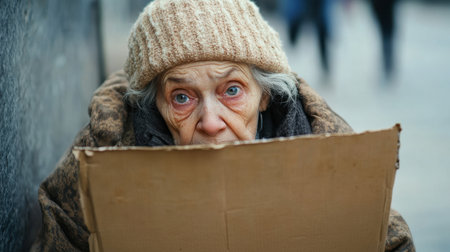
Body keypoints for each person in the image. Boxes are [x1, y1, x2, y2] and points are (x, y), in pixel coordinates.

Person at [32, 0, 414, 251]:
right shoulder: (105, 153)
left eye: (232, 90)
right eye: (182, 97)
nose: (212, 123)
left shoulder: (325, 144)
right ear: (155, 108)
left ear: (264, 96)